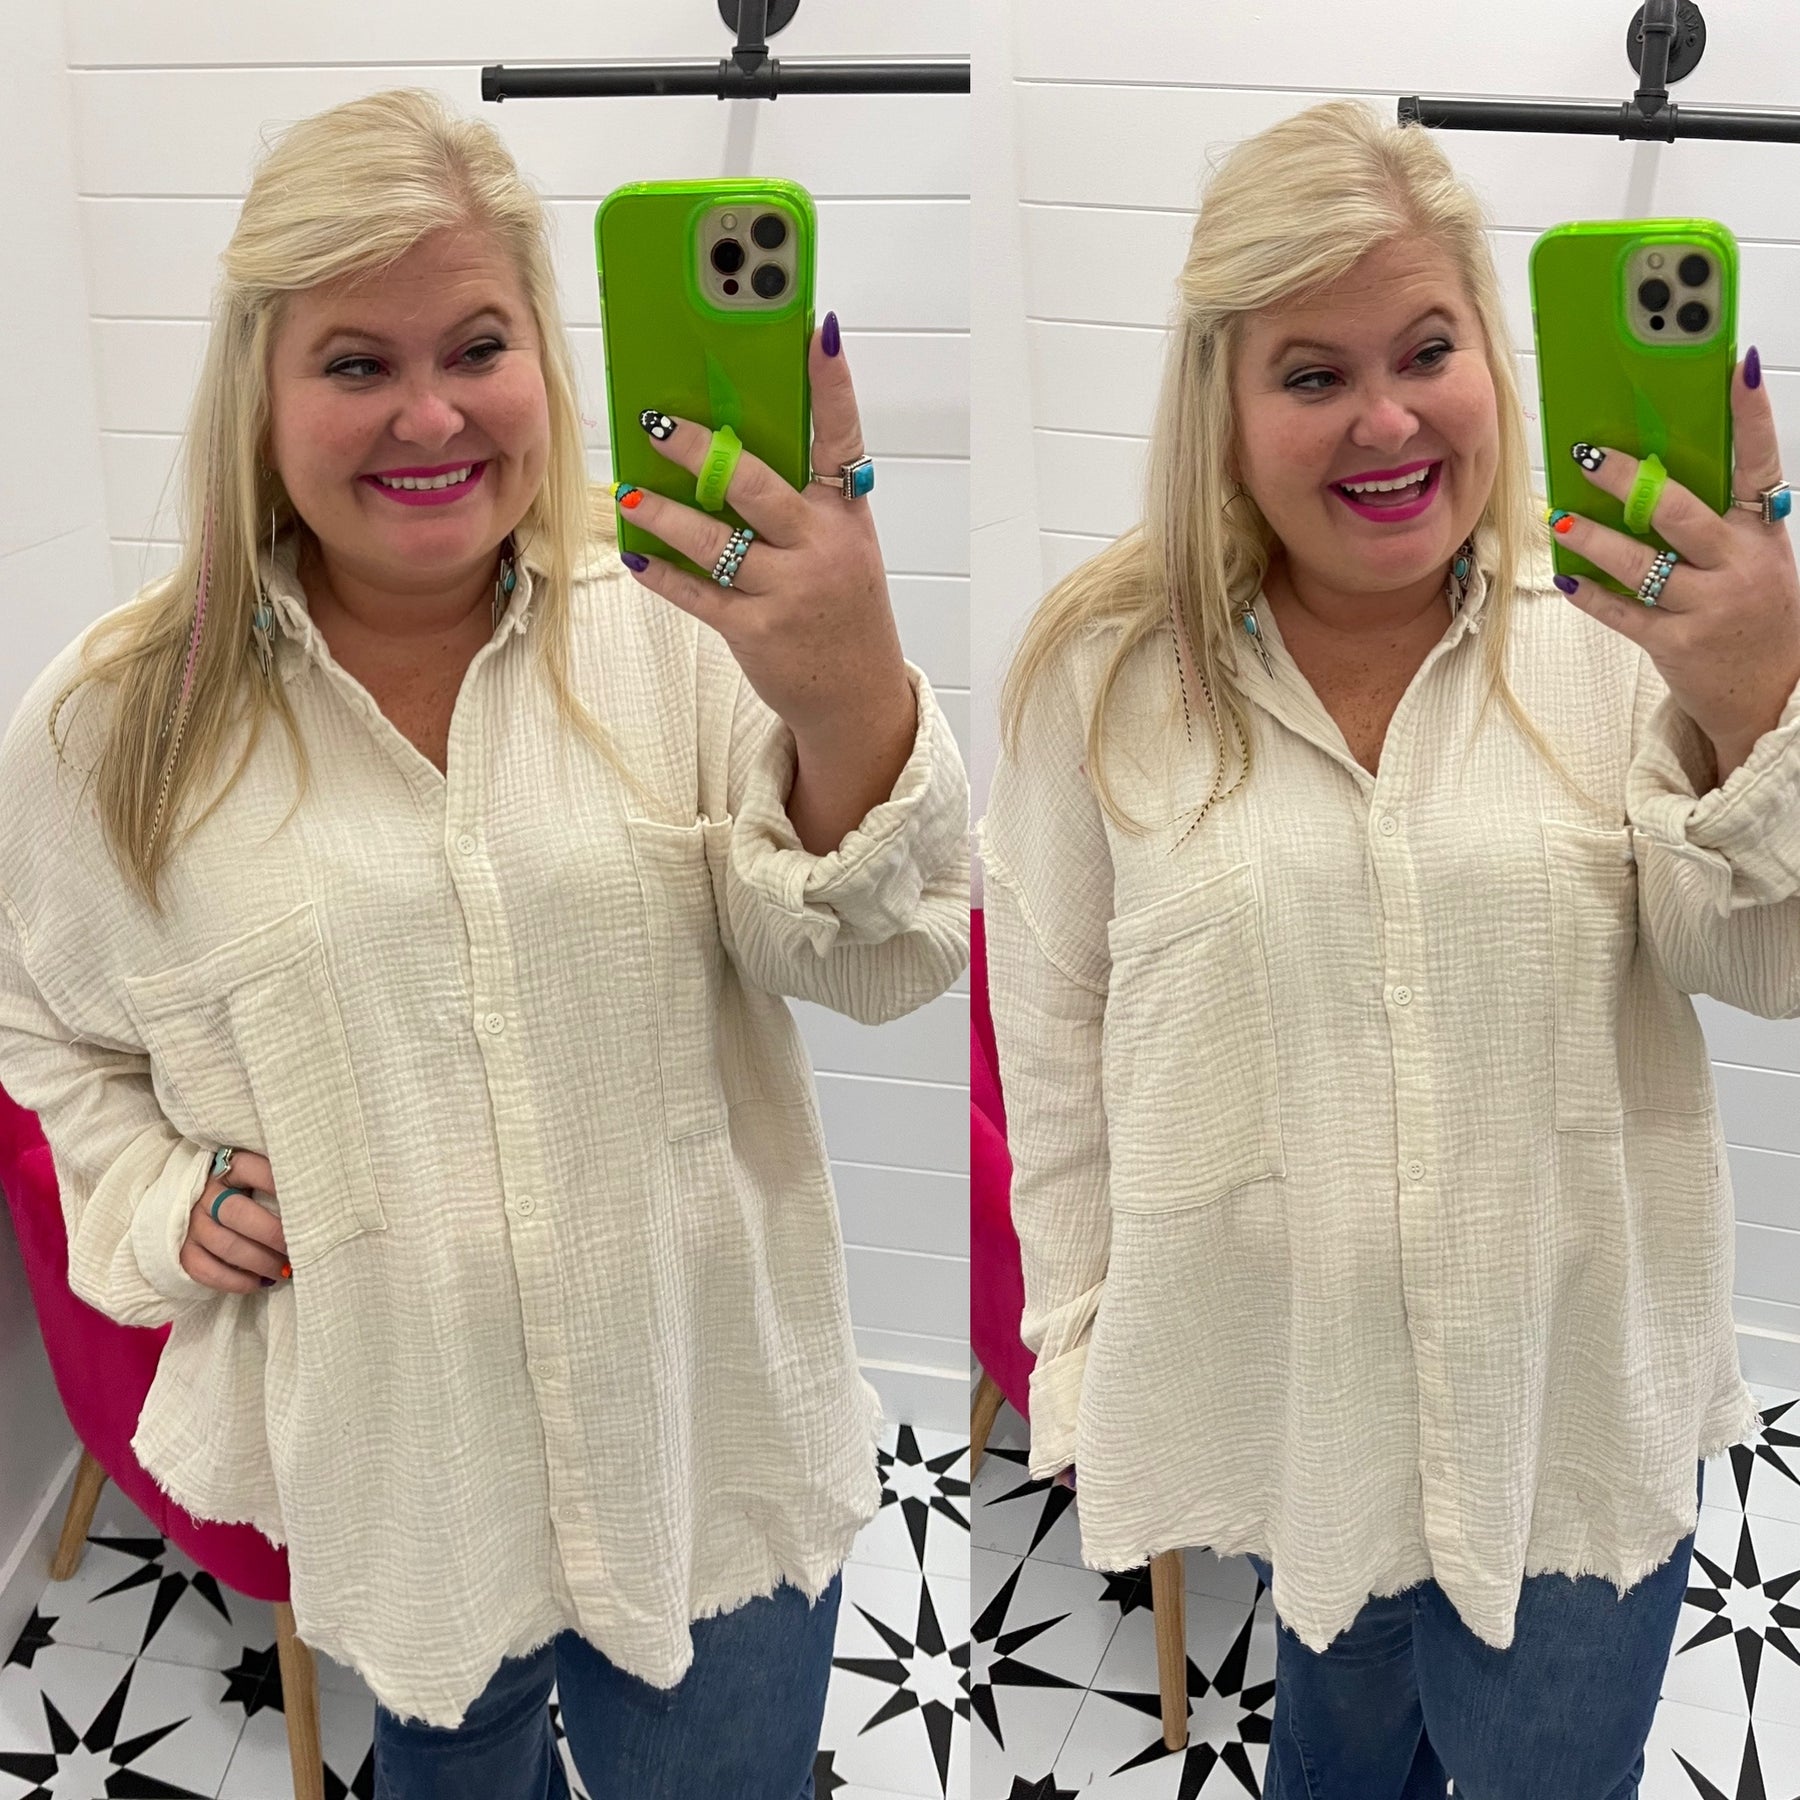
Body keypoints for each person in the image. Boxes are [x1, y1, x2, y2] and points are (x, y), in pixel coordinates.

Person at [0, 88, 968, 1798]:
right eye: (355, 362)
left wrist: (846, 695)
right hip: (409, 1479)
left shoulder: (677, 626)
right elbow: (44, 1021)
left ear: (545, 353)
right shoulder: (111, 723)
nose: (430, 412)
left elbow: (871, 964)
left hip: (709, 1438)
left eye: (476, 345)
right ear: (258, 389)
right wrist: (162, 1197)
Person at [978, 98, 1800, 1796]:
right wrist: (1081, 1345)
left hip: (1573, 1412)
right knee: (1338, 1762)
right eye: (1312, 374)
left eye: (1428, 349)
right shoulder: (1104, 679)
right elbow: (1055, 1032)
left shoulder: (1623, 638)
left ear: (1493, 351)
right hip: (1306, 1410)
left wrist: (1758, 705)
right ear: (1222, 404)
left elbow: (1765, 967)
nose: (1388, 417)